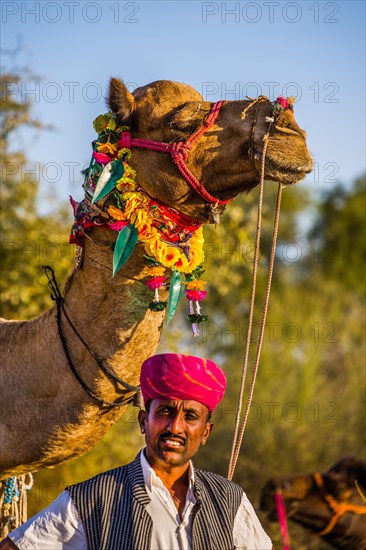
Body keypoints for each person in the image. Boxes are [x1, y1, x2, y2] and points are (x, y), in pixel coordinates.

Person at [1, 353, 272, 550]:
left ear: (205, 432)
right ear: (144, 420)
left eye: (190, 416)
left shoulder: (229, 499)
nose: (175, 427)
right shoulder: (91, 499)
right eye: (165, 411)